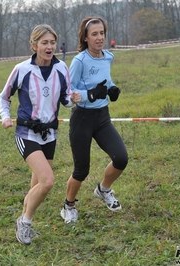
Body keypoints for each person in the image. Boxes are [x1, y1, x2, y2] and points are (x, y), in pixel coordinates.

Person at [0, 24, 81, 245]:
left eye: (52, 42)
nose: (49, 46)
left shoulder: (62, 67)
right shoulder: (22, 69)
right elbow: (4, 97)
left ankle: (26, 220)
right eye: (44, 42)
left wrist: (71, 99)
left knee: (37, 186)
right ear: (34, 45)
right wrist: (5, 117)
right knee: (47, 182)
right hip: (26, 132)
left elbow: (64, 99)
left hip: (50, 134)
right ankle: (23, 223)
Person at [60, 17, 128, 224]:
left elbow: (106, 81)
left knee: (121, 158)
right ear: (86, 38)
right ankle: (68, 206)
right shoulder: (80, 61)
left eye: (102, 33)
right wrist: (90, 94)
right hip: (82, 119)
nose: (99, 38)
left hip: (102, 117)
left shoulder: (108, 57)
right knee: (82, 169)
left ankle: (103, 190)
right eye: (94, 34)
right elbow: (68, 93)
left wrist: (112, 89)